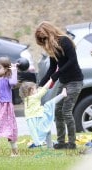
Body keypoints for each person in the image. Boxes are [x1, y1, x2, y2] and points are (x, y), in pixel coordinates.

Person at [35, 21, 83, 149]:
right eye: (41, 39)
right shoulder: (51, 47)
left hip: (75, 81)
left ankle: (72, 144)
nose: (43, 41)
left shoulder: (64, 41)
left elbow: (72, 60)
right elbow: (52, 68)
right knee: (57, 111)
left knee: (66, 111)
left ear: (49, 32)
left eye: (44, 37)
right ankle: (61, 142)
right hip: (64, 81)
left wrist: (57, 75)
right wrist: (40, 84)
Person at [19, 78, 67, 148]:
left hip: (33, 119)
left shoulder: (26, 99)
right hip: (38, 118)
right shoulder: (34, 97)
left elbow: (40, 89)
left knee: (46, 130)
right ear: (31, 91)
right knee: (49, 105)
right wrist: (51, 80)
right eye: (35, 89)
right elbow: (44, 89)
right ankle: (62, 95)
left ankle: (48, 146)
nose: (37, 90)